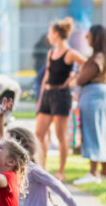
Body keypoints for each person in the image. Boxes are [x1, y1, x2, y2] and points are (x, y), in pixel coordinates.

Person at [34, 19, 86, 180]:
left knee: (60, 135)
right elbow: (46, 76)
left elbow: (85, 63)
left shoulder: (70, 53)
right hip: (48, 94)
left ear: (56, 34)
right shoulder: (51, 53)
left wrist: (74, 77)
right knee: (39, 133)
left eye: (50, 33)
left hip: (61, 96)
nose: (48, 36)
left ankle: (61, 171)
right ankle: (43, 166)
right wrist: (40, 98)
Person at [74, 24, 106, 185]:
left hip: (94, 96)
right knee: (104, 131)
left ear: (96, 38)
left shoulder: (98, 57)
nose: (87, 38)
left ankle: (93, 172)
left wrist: (78, 75)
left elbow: (82, 79)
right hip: (105, 95)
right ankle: (105, 173)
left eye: (89, 36)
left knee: (93, 132)